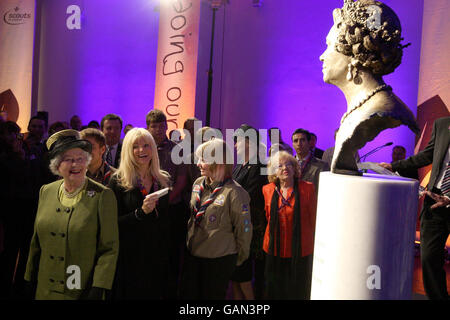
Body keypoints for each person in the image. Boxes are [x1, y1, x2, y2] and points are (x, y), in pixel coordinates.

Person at [320, 0, 418, 174]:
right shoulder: (358, 109)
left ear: (352, 55)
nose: (322, 56)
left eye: (329, 46)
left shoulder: (383, 108)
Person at [23, 129, 119, 300]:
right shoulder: (46, 191)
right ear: (57, 166)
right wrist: (29, 278)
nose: (76, 164)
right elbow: (36, 242)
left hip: (81, 290)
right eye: (68, 159)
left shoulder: (103, 195)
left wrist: (99, 286)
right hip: (45, 289)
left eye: (80, 158)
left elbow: (109, 249)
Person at [379, 116, 450, 300]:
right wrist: (395, 166)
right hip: (434, 202)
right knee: (429, 260)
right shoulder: (442, 124)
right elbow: (426, 155)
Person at [180, 138, 252, 300]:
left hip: (218, 261)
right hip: (193, 256)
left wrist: (239, 258)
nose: (198, 164)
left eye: (203, 160)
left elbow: (244, 229)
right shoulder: (198, 184)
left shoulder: (235, 193)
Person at [108, 128, 171, 299]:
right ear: (128, 150)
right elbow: (111, 224)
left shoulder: (163, 179)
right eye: (135, 147)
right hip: (128, 256)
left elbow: (166, 221)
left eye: (146, 145)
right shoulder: (118, 180)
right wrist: (140, 213)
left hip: (155, 255)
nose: (141, 151)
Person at [263, 151, 317, 299]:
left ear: (294, 168)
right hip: (274, 247)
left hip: (301, 248)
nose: (284, 168)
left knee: (297, 288)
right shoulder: (267, 190)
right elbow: (268, 217)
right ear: (274, 171)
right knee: (276, 287)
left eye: (288, 164)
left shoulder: (307, 188)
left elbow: (313, 218)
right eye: (279, 166)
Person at [146, 109, 188, 298]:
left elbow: (181, 181)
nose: (158, 130)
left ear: (167, 127)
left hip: (172, 209)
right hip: (147, 208)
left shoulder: (177, 149)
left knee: (172, 255)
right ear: (148, 128)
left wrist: (163, 203)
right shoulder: (142, 149)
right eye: (154, 126)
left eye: (162, 126)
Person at [231, 124, 268, 300]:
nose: (235, 145)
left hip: (250, 227)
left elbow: (249, 195)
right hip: (238, 224)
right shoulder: (240, 166)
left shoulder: (259, 165)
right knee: (236, 274)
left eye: (238, 141)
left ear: (249, 142)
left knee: (244, 273)